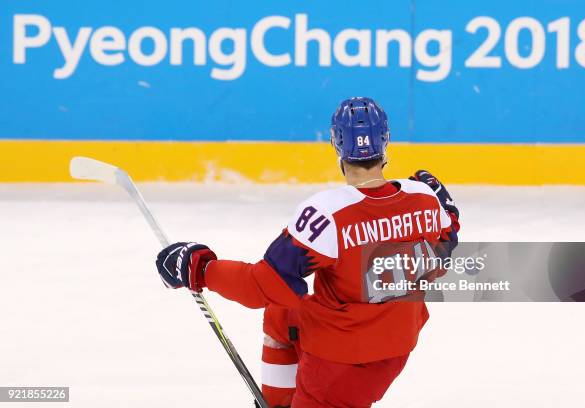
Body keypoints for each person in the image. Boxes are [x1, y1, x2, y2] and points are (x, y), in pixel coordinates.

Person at [155, 97, 460, 407]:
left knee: (278, 294)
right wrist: (448, 212)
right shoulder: (423, 197)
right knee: (283, 313)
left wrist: (199, 268)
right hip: (395, 341)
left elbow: (260, 286)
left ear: (335, 143)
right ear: (386, 140)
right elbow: (445, 250)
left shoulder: (328, 213)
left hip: (340, 364)